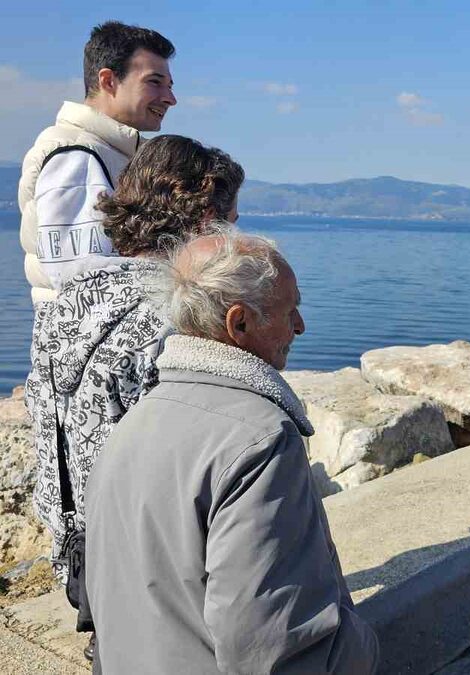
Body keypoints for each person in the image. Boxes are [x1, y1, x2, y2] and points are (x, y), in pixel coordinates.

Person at [85, 231, 379, 673]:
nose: (300, 326)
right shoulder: (260, 440)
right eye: (289, 311)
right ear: (238, 324)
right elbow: (272, 644)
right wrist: (365, 647)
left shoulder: (131, 425)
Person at [24, 135, 241, 658]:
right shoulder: (175, 317)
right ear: (207, 218)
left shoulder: (69, 301)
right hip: (152, 576)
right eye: (233, 219)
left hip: (80, 551)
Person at [17, 21, 176, 304]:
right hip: (94, 344)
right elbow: (80, 280)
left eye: (170, 86)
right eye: (154, 82)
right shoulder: (76, 154)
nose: (170, 99)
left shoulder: (110, 151)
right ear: (108, 81)